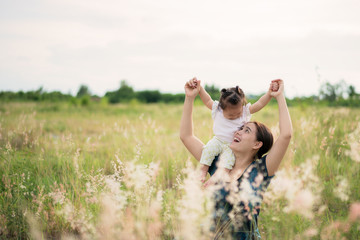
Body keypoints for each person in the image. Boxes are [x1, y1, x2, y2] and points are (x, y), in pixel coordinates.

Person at [180, 78, 292, 239]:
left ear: (257, 144)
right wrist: (190, 98)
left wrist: (279, 96)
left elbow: (286, 135)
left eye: (246, 130)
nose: (237, 132)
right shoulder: (217, 163)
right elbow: (186, 136)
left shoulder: (261, 170)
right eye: (239, 128)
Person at [186, 78, 278, 185]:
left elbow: (260, 104)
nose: (235, 116)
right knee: (207, 151)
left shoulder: (244, 112)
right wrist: (200, 89)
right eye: (230, 115)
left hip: (231, 145)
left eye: (237, 114)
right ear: (221, 108)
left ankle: (214, 179)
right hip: (217, 140)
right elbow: (207, 100)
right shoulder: (218, 109)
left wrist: (269, 94)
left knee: (227, 164)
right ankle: (203, 171)